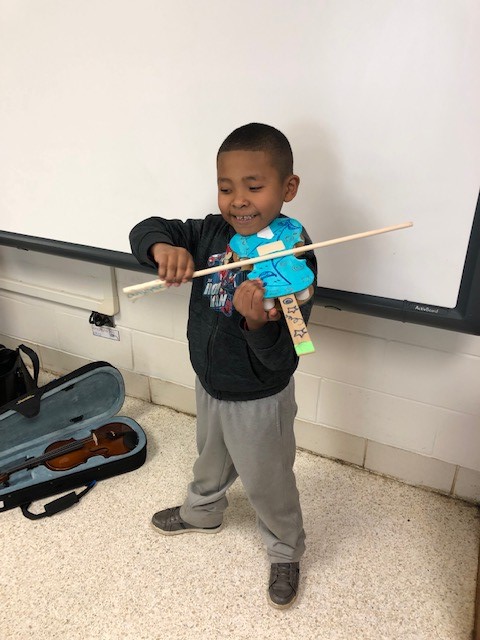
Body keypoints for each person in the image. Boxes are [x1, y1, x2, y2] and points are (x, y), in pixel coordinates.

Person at [129, 122, 317, 609]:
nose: (238, 201)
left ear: (287, 188)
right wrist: (162, 248)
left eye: (255, 187)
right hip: (209, 379)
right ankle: (203, 511)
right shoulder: (212, 232)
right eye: (226, 187)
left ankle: (284, 547)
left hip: (260, 394)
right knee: (208, 456)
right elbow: (148, 227)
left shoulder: (293, 259)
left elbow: (287, 352)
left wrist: (256, 322)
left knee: (266, 475)